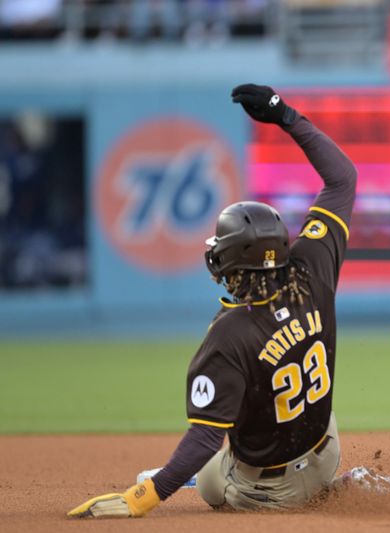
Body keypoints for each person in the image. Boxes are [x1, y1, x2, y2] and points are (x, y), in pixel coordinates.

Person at [68, 84, 357, 517]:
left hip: (273, 492)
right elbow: (342, 179)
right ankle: (334, 480)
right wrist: (286, 116)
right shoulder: (311, 268)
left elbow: (205, 436)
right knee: (264, 422)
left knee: (210, 483)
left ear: (234, 265)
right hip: (324, 449)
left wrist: (140, 499)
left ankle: (204, 476)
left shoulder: (230, 333)